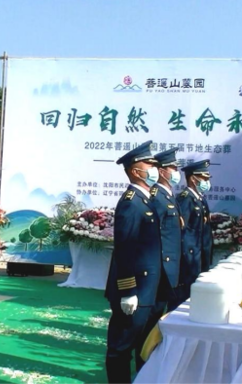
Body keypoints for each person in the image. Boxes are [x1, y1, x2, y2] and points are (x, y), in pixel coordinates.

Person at [105, 141, 165, 384]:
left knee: (143, 345)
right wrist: (128, 290)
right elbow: (125, 249)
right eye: (149, 165)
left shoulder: (146, 200)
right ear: (135, 171)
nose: (154, 170)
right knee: (121, 347)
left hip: (148, 289)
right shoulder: (131, 203)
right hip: (135, 290)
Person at [175, 159, 211, 306]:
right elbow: (181, 230)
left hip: (199, 255)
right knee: (183, 298)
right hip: (189, 258)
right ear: (193, 179)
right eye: (204, 179)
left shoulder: (200, 199)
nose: (207, 182)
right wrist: (187, 256)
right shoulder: (185, 199)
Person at [151, 148, 182, 312]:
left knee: (164, 308)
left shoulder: (169, 195)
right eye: (173, 169)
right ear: (162, 172)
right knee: (156, 309)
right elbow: (154, 233)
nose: (177, 173)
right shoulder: (157, 196)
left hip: (172, 261)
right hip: (163, 262)